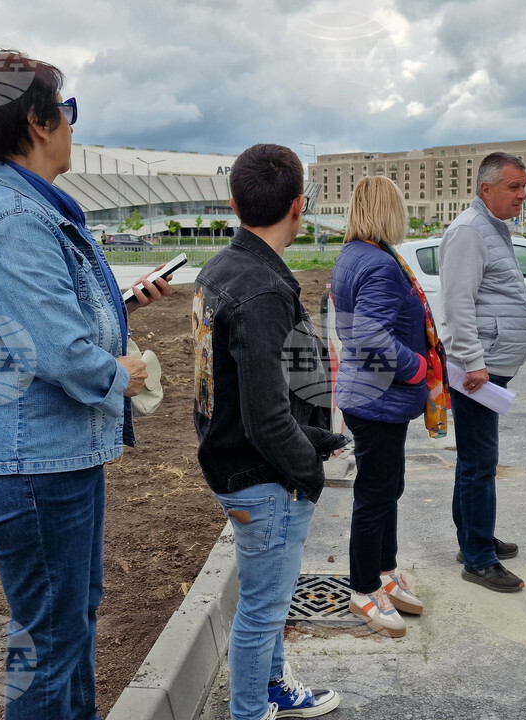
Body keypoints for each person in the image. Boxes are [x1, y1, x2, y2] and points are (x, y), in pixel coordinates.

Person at [0, 46, 173, 719]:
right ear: (38, 122)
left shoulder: (25, 206)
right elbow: (59, 351)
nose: (72, 125)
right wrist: (120, 373)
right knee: (51, 644)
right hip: (33, 465)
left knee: (67, 627)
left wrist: (122, 310)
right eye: (66, 110)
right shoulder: (14, 219)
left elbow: (44, 323)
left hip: (46, 460)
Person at [192, 144, 346, 720]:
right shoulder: (262, 290)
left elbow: (221, 390)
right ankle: (250, 709)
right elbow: (266, 417)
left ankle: (273, 686)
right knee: (262, 608)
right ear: (299, 206)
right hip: (264, 477)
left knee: (268, 601)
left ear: (234, 205)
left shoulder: (221, 270)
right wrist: (308, 473)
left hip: (237, 463)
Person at [331, 176, 448, 637]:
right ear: (388, 210)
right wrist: (418, 368)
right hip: (378, 396)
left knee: (387, 487)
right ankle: (364, 589)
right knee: (376, 494)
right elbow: (369, 336)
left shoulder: (355, 254)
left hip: (372, 395)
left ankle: (384, 572)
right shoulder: (380, 264)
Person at [439, 152, 526, 593]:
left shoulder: (492, 227)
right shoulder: (469, 231)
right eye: (514, 187)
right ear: (486, 188)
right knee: (480, 463)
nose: (522, 195)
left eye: (524, 186)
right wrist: (473, 361)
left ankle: (474, 537)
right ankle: (479, 558)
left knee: (475, 459)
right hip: (479, 370)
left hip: (490, 365)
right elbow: (457, 303)